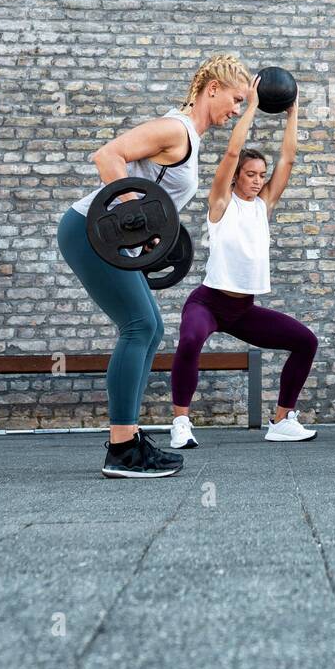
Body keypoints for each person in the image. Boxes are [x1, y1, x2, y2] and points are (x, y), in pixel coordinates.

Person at [57, 54, 252, 478]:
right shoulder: (175, 129)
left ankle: (128, 437)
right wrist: (137, 223)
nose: (235, 109)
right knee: (140, 327)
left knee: (152, 328)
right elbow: (107, 156)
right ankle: (122, 448)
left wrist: (144, 235)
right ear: (212, 88)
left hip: (112, 240)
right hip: (89, 232)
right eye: (235, 100)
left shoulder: (190, 137)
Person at [169, 78, 318, 445]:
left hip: (243, 311)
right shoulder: (221, 203)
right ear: (235, 178)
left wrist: (293, 113)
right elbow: (232, 154)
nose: (256, 181)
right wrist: (250, 106)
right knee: (189, 341)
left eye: (261, 176)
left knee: (305, 342)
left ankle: (282, 420)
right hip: (208, 303)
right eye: (250, 175)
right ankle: (181, 424)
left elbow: (289, 158)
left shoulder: (263, 206)